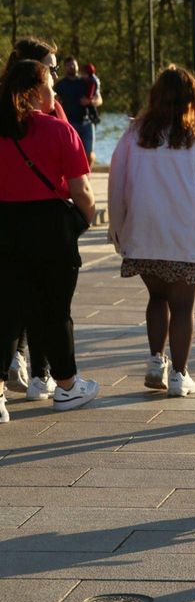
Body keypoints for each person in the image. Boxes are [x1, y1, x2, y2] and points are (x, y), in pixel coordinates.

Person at [108, 66, 195, 398]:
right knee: (183, 307)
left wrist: (118, 226)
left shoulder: (134, 135)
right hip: (187, 236)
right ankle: (180, 374)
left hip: (143, 233)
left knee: (156, 298)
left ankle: (156, 360)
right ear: (193, 98)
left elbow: (116, 183)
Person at [0, 59, 99, 417]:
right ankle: (67, 385)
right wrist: (82, 220)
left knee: (5, 311)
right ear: (32, 93)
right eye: (49, 86)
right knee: (55, 311)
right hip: (50, 226)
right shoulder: (59, 131)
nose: (54, 93)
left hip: (4, 223)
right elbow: (82, 190)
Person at [54, 56, 101, 167]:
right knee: (72, 154)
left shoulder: (86, 81)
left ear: (77, 66)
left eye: (74, 64)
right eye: (69, 65)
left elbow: (99, 99)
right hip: (69, 124)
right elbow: (54, 102)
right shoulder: (60, 85)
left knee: (89, 154)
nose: (72, 67)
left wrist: (90, 101)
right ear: (65, 67)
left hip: (87, 122)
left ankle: (87, 178)